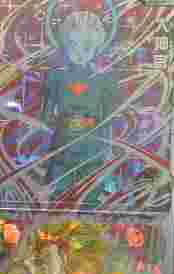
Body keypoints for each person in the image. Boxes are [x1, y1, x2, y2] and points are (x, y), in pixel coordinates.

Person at [32, 6, 121, 201]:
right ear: (65, 43)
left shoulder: (105, 80)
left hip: (92, 151)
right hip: (63, 148)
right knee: (59, 199)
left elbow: (108, 122)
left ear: (97, 46)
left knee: (89, 199)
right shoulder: (55, 77)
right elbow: (44, 119)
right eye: (74, 45)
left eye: (87, 46)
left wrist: (108, 155)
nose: (80, 52)